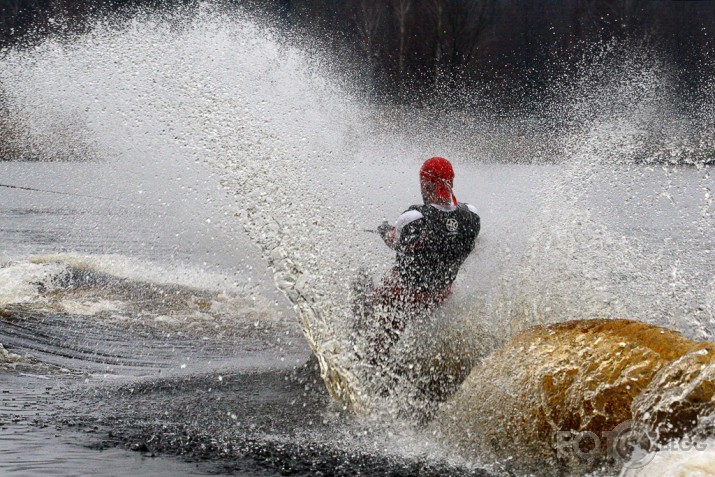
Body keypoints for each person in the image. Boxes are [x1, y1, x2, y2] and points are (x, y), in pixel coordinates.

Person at [357, 156, 480, 362]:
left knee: (388, 283)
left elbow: (395, 241)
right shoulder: (472, 216)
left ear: (428, 184)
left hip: (406, 295)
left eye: (423, 184)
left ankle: (371, 354)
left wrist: (385, 229)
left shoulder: (415, 217)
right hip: (441, 294)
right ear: (451, 182)